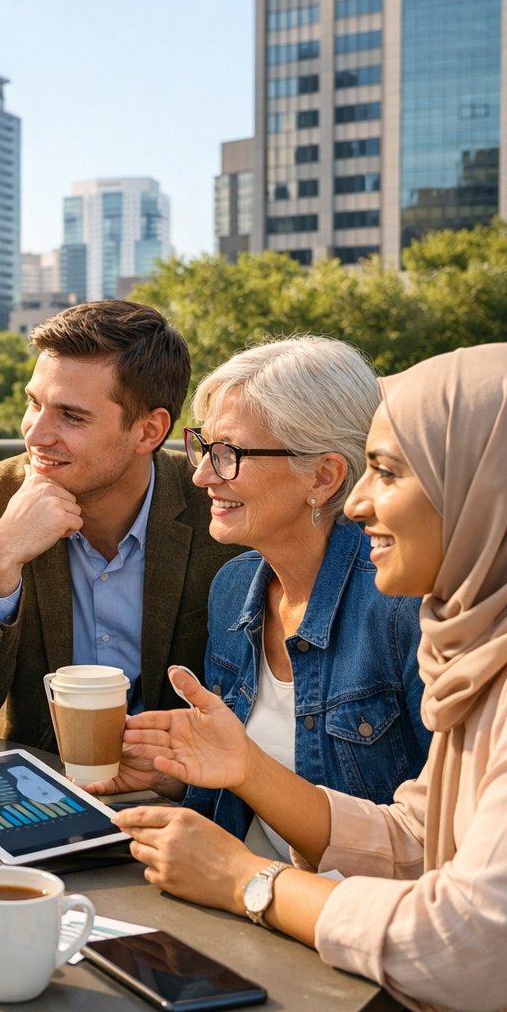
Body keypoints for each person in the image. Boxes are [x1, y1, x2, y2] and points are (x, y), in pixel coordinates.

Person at [109, 344, 507, 1012]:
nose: (360, 503)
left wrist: (248, 882)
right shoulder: (498, 640)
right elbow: (416, 839)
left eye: (389, 472)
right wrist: (227, 769)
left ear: (487, 484)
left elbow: (467, 947)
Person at [89, 338, 430, 860]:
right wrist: (175, 777)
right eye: (204, 446)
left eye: (229, 454)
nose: (202, 474)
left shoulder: (404, 608)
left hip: (340, 918)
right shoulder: (233, 588)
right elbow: (242, 789)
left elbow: (438, 840)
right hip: (241, 901)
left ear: (323, 475)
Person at [0, 300, 239, 749]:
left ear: (148, 431)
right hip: (39, 785)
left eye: (71, 416)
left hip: (182, 791)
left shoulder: (218, 510)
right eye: (33, 403)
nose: (36, 435)